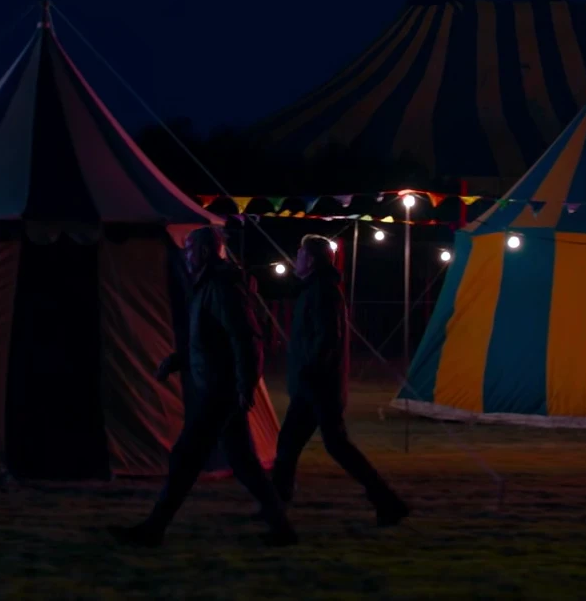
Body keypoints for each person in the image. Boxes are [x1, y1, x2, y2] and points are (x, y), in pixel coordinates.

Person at [111, 226, 297, 547]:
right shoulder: (208, 286)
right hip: (218, 387)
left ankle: (154, 529)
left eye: (189, 250)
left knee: (185, 457)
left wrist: (244, 384)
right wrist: (177, 360)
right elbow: (210, 340)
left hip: (219, 391)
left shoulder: (221, 288)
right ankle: (282, 528)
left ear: (206, 252)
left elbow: (244, 338)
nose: (185, 256)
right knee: (243, 462)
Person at [270, 234, 410, 526]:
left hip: (319, 385)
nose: (295, 261)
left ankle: (388, 501)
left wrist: (311, 368)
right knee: (290, 445)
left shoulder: (322, 291)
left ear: (310, 260)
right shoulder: (316, 289)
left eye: (300, 255)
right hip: (313, 385)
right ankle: (275, 505)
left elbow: (327, 336)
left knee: (335, 446)